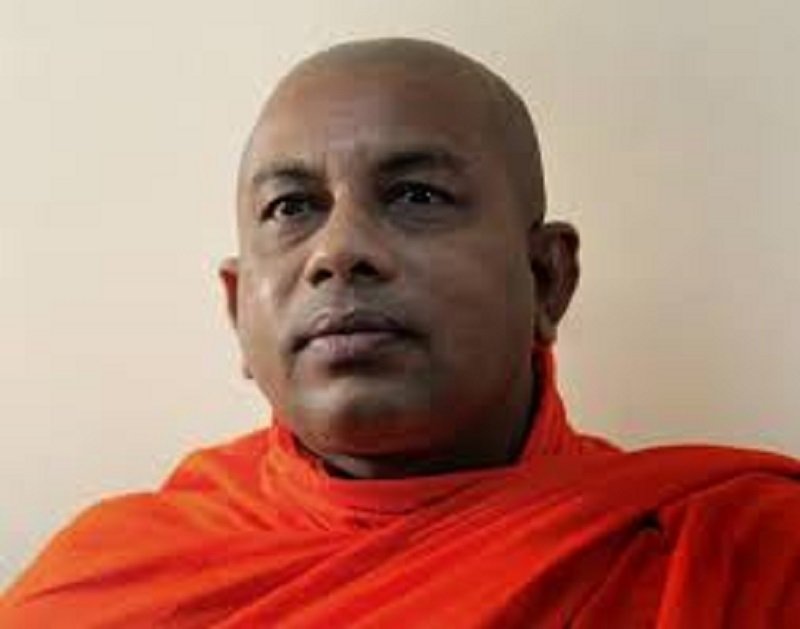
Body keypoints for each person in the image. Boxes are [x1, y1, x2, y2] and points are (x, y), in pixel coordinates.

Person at [2, 38, 798, 628]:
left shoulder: (738, 557)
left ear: (546, 278)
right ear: (239, 309)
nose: (339, 250)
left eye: (417, 195)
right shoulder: (108, 581)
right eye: (291, 207)